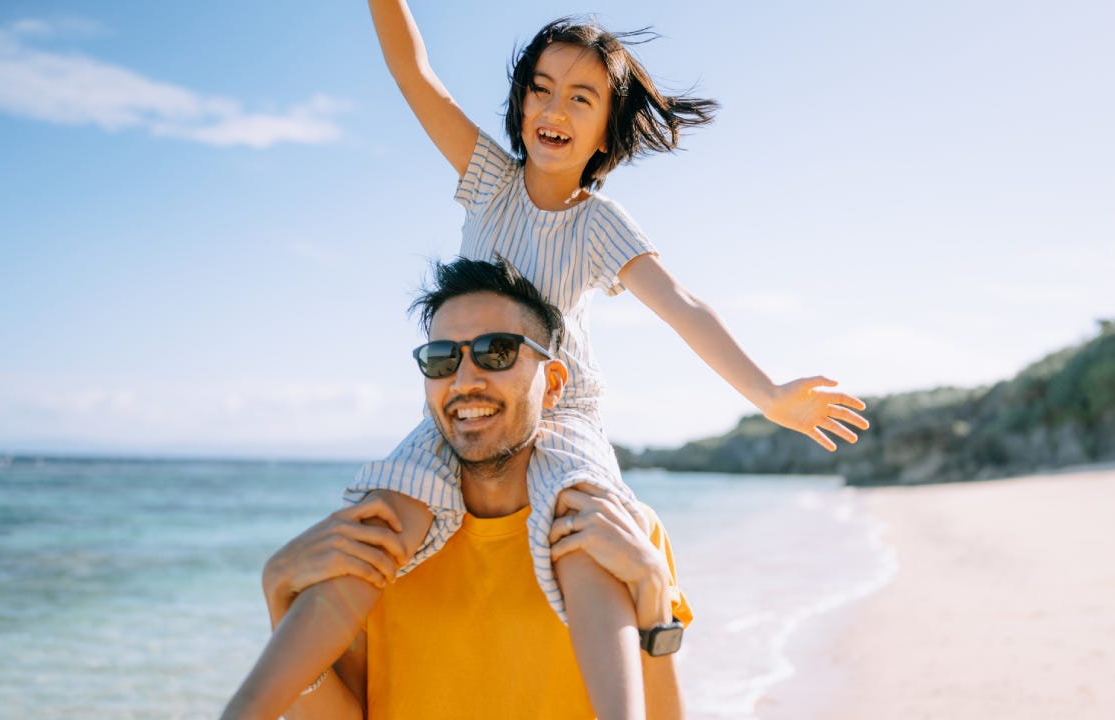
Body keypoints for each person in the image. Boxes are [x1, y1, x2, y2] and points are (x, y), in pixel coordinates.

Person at [226, 5, 871, 717]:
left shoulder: (600, 222)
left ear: (607, 129)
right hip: (467, 402)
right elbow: (415, 74)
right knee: (374, 529)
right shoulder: (488, 180)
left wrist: (770, 394)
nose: (554, 107)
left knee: (580, 527)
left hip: (563, 413)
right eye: (541, 86)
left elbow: (682, 303)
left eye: (580, 96)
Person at [227, 258, 691, 719]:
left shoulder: (619, 530)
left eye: (497, 352)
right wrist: (281, 604)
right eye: (442, 359)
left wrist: (653, 598)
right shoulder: (382, 539)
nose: (465, 381)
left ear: (551, 385)